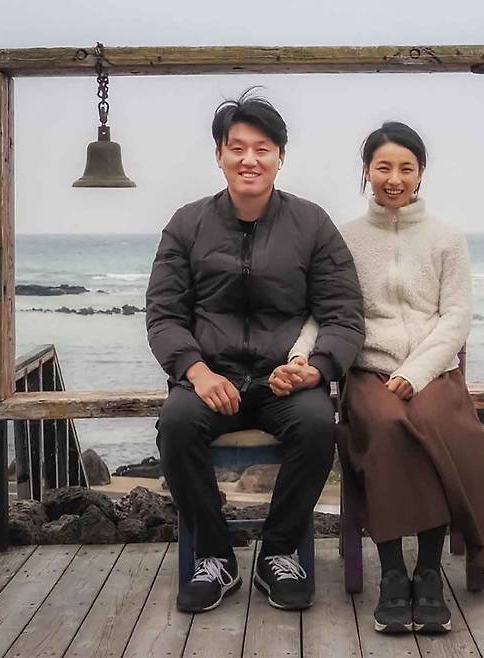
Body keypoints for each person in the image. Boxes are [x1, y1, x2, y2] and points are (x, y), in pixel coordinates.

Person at [271, 121, 484, 634]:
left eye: (406, 168)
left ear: (421, 172)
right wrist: (300, 355)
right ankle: (391, 572)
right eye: (383, 167)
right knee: (386, 427)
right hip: (368, 372)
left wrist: (417, 372)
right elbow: (326, 310)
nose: (394, 178)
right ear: (367, 170)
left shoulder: (447, 237)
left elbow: (456, 317)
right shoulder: (345, 238)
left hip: (434, 373)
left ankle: (427, 573)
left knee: (441, 426)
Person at [145, 89, 364, 614]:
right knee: (176, 425)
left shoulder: (311, 224)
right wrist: (196, 371)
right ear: (219, 154)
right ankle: (215, 556)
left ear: (280, 157)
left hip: (283, 381)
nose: (250, 160)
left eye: (262, 149)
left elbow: (344, 312)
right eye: (237, 148)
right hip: (210, 379)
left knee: (318, 426)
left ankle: (279, 552)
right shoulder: (187, 224)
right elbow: (163, 315)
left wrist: (316, 370)